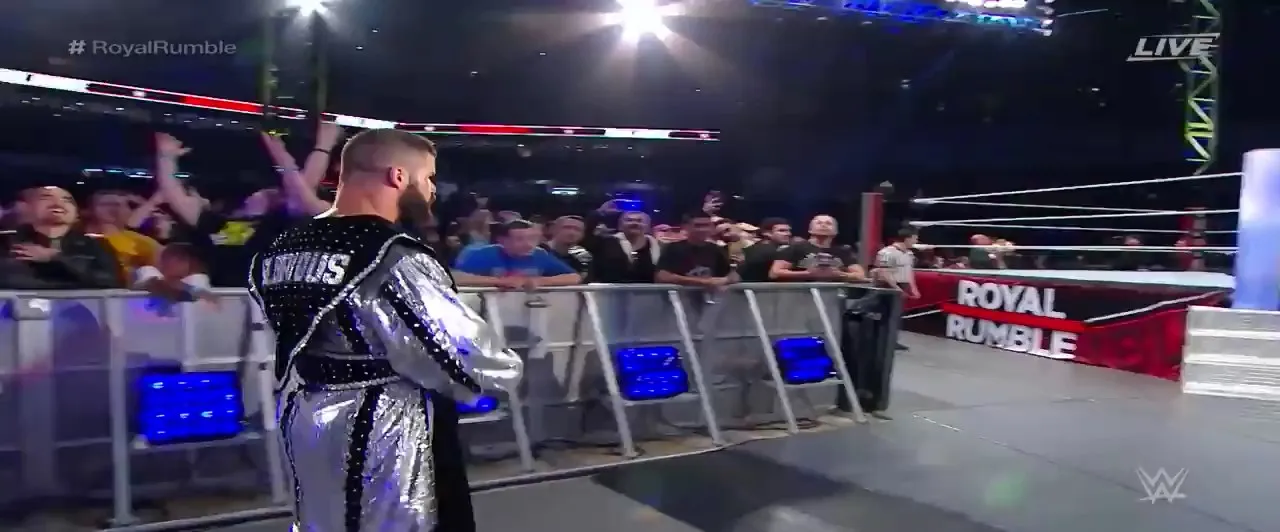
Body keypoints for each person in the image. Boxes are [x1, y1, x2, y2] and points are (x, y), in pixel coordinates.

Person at [248, 129, 523, 532]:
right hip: (382, 422)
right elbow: (464, 356)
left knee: (322, 521)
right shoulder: (389, 253)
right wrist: (506, 369)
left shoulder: (281, 247)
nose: (432, 189)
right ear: (397, 176)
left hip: (305, 412)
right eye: (427, 177)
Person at [152, 133, 295, 287]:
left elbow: (301, 192)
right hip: (217, 295)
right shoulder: (215, 221)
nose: (264, 193)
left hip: (259, 295)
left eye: (272, 194)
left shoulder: (274, 225)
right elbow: (174, 196)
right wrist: (166, 158)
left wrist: (283, 158)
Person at [0, 186, 122, 289]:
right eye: (46, 197)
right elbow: (10, 281)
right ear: (26, 208)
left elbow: (109, 281)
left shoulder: (95, 245)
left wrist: (56, 258)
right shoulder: (6, 241)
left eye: (67, 200)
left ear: (76, 214)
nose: (58, 203)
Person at [452, 219, 583, 288]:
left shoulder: (539, 254)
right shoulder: (483, 254)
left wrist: (539, 281)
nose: (528, 244)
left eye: (532, 239)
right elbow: (455, 278)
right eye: (520, 239)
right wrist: (500, 282)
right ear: (502, 240)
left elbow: (574, 277)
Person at [85, 189, 164, 283]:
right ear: (89, 210)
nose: (114, 209)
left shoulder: (140, 242)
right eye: (106, 204)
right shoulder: (74, 237)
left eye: (121, 205)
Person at [769, 215, 866, 282]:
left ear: (836, 231)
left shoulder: (843, 251)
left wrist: (839, 274)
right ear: (810, 230)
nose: (823, 225)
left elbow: (860, 275)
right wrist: (808, 274)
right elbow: (774, 273)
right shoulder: (796, 248)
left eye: (828, 223)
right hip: (801, 297)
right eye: (819, 223)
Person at [655, 211, 734, 288]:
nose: (702, 230)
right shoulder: (673, 248)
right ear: (686, 227)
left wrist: (726, 280)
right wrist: (703, 282)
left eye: (706, 225)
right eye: (697, 225)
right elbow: (662, 276)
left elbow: (731, 275)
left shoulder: (716, 249)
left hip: (710, 296)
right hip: (681, 295)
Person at [588, 209, 661, 283]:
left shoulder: (658, 246)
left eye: (639, 221)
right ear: (620, 226)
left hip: (648, 289)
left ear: (648, 226)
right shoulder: (605, 243)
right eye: (629, 220)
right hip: (611, 288)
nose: (634, 223)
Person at [738, 217, 791, 282]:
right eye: (782, 231)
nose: (788, 234)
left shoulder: (751, 249)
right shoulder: (771, 252)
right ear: (767, 233)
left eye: (789, 231)